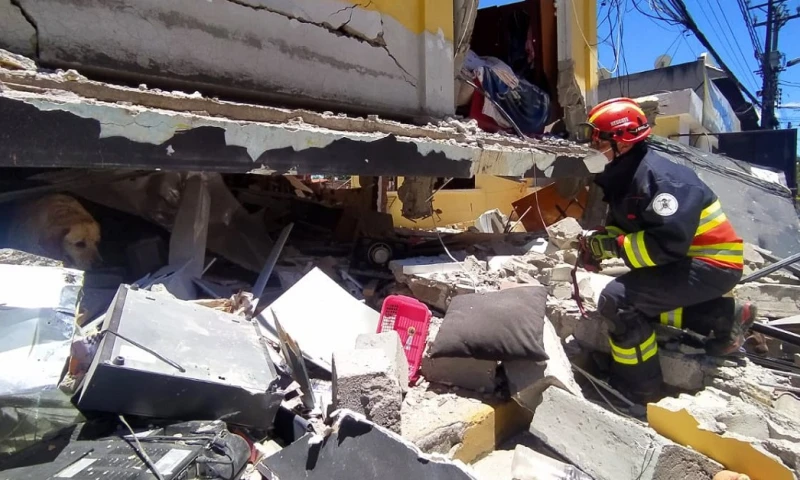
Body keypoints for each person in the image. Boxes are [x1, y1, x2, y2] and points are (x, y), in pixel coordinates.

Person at [576, 97, 757, 402]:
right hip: (691, 262)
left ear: (624, 142)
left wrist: (613, 247)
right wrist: (601, 243)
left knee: (617, 301)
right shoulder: (625, 177)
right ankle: (723, 317)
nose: (593, 148)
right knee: (643, 297)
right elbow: (634, 228)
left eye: (599, 140)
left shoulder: (659, 180)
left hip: (712, 264)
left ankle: (639, 386)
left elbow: (666, 245)